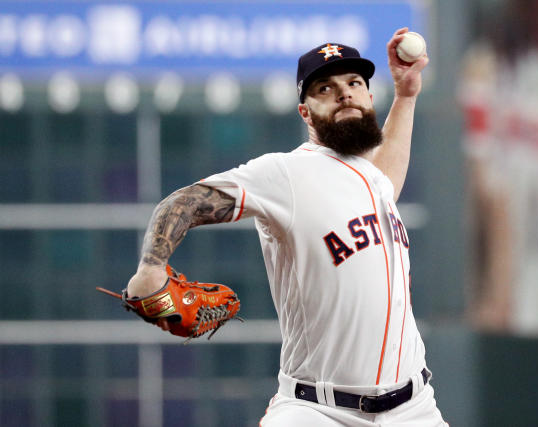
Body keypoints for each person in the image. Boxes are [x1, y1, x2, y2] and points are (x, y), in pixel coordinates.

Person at [127, 28, 446, 426]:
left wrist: (406, 95)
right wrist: (151, 267)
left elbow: (387, 179)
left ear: (368, 96)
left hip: (412, 408)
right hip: (318, 410)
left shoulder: (372, 179)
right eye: (325, 88)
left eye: (354, 83)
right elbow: (185, 202)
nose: (344, 93)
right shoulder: (286, 173)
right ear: (305, 112)